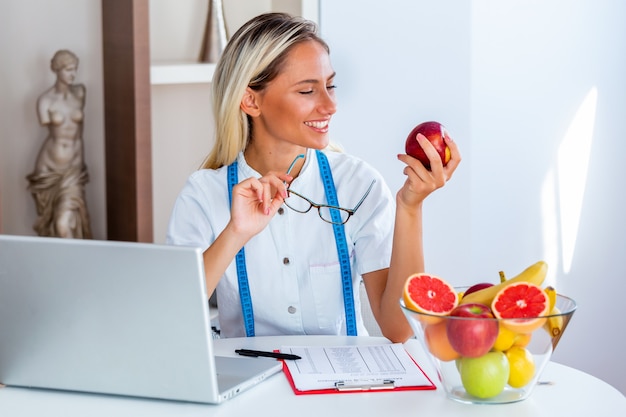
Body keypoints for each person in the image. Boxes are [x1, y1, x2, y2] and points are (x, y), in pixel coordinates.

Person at [166, 13, 460, 342]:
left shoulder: (358, 185)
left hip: (344, 386)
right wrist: (236, 233)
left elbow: (399, 329)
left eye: (330, 85)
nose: (331, 105)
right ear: (251, 100)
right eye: (308, 91)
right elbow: (173, 318)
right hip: (249, 387)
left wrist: (410, 206)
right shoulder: (203, 194)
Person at [27, 49, 92, 239]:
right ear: (57, 70)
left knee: (64, 224)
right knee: (53, 225)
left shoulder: (80, 93)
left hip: (73, 169)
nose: (72, 74)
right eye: (68, 70)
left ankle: (74, 265)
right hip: (48, 169)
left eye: (75, 69)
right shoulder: (45, 101)